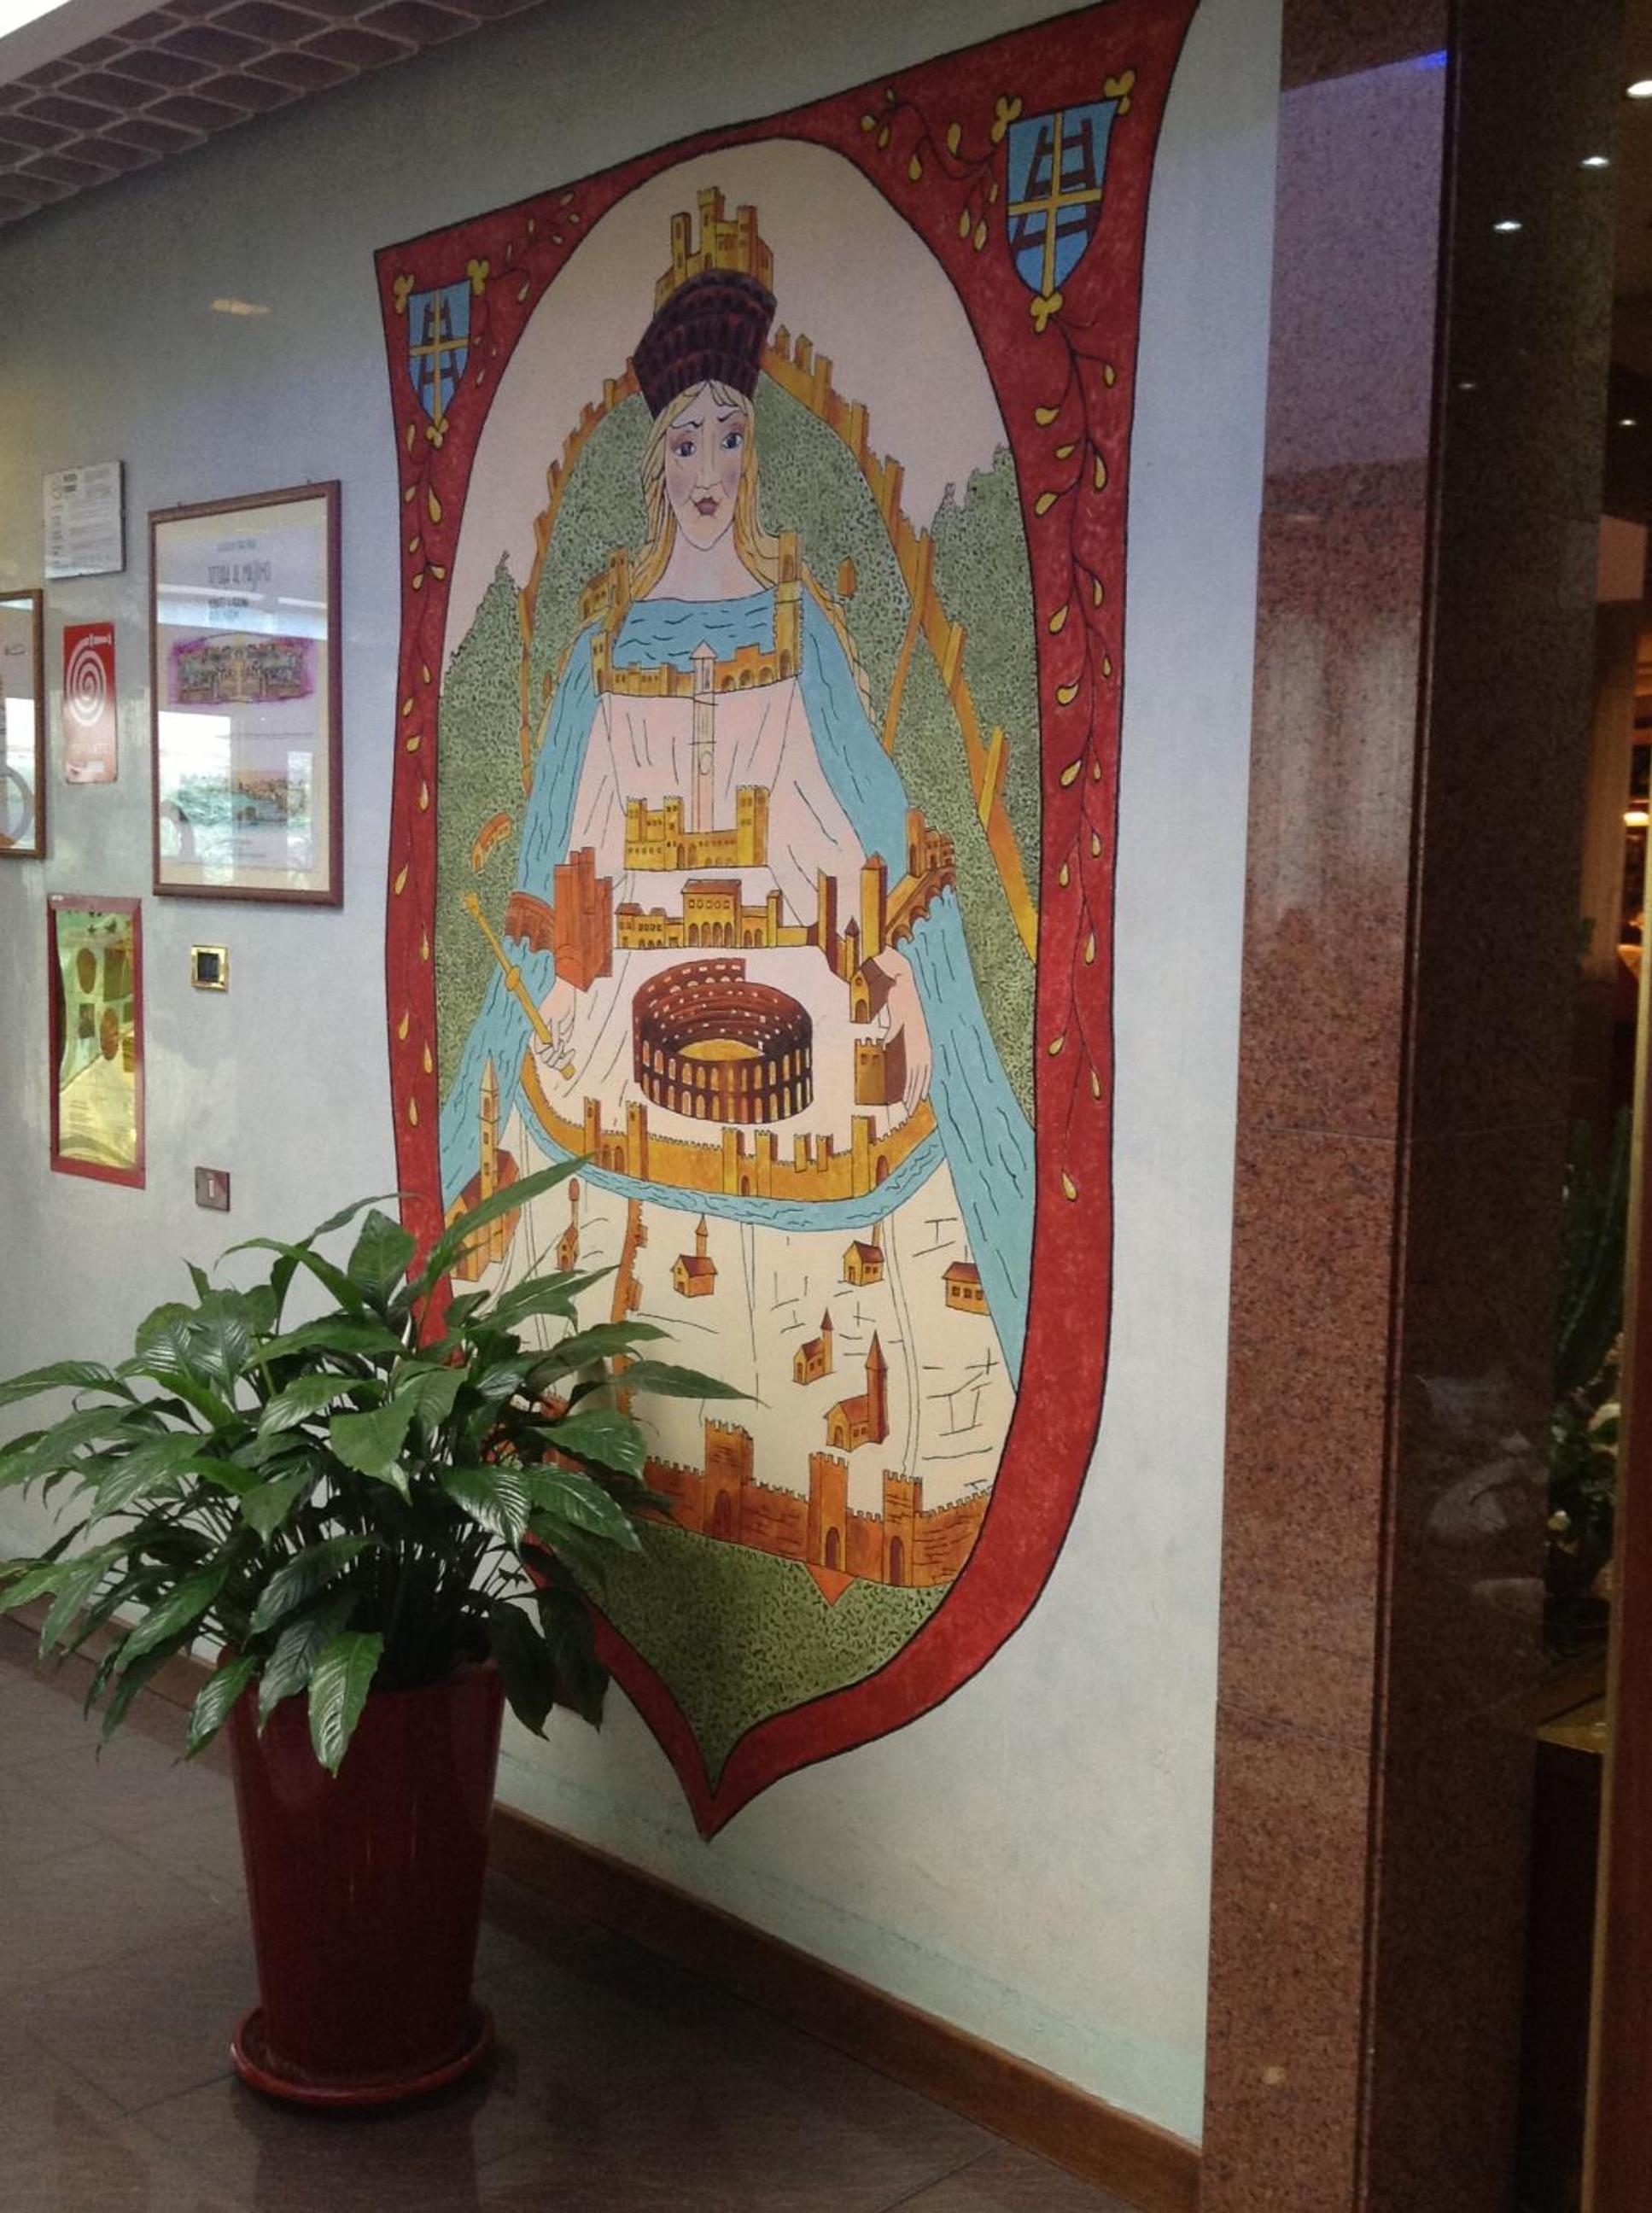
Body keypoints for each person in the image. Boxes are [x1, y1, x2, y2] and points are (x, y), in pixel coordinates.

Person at [441, 228, 1032, 1396]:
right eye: (684, 443)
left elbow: (855, 821)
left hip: (790, 957)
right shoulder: (604, 649)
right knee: (581, 1075)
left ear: (750, 454)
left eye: (727, 437)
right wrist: (563, 950)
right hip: (623, 973)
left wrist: (888, 955)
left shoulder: (798, 627)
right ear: (655, 465)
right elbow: (568, 842)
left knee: (858, 1066)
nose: (706, 469)